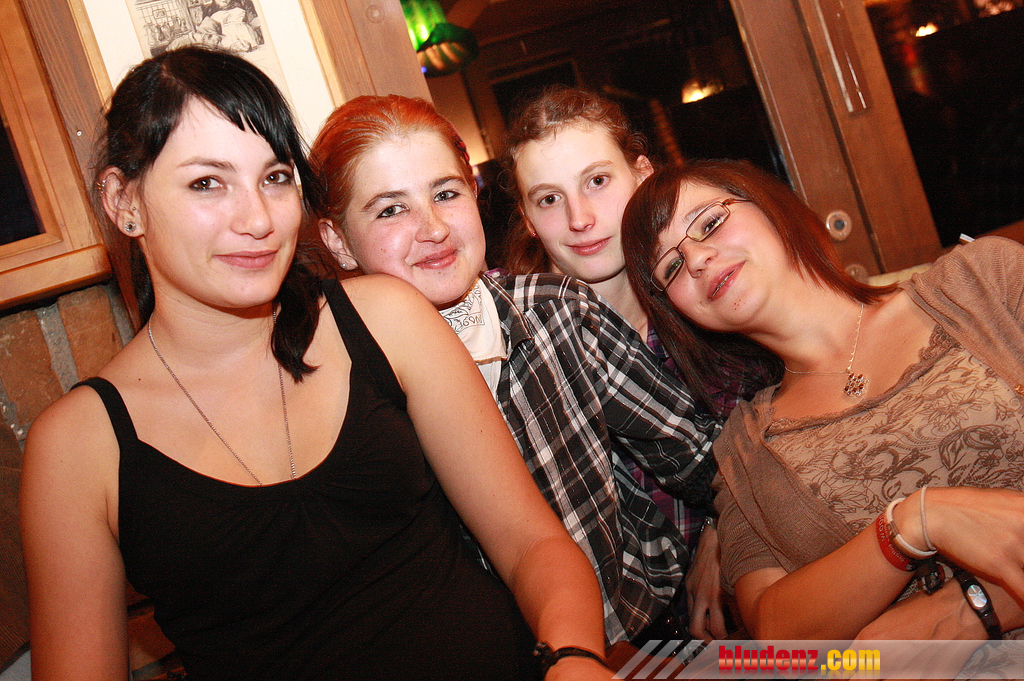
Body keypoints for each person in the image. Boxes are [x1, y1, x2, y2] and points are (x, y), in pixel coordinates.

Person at [20, 46, 615, 681]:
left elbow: (533, 545)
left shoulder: (386, 318)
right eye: (207, 183)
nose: (258, 219)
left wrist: (574, 658)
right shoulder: (78, 446)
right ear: (124, 202)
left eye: (275, 178)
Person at [310, 94, 721, 647]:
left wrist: (725, 532)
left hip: (645, 638)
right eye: (390, 210)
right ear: (337, 241)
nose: (433, 228)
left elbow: (702, 460)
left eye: (446, 193)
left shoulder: (558, 312)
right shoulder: (336, 397)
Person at [619, 158, 1024, 644]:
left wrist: (970, 609)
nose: (697, 260)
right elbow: (775, 635)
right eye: (672, 267)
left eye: (708, 224)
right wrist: (911, 525)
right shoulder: (744, 452)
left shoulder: (980, 282)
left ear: (771, 206)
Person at [501, 86, 764, 639]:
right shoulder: (516, 350)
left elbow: (789, 430)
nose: (580, 218)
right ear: (526, 217)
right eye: (548, 199)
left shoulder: (716, 298)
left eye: (597, 181)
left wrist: (728, 526)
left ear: (642, 173)